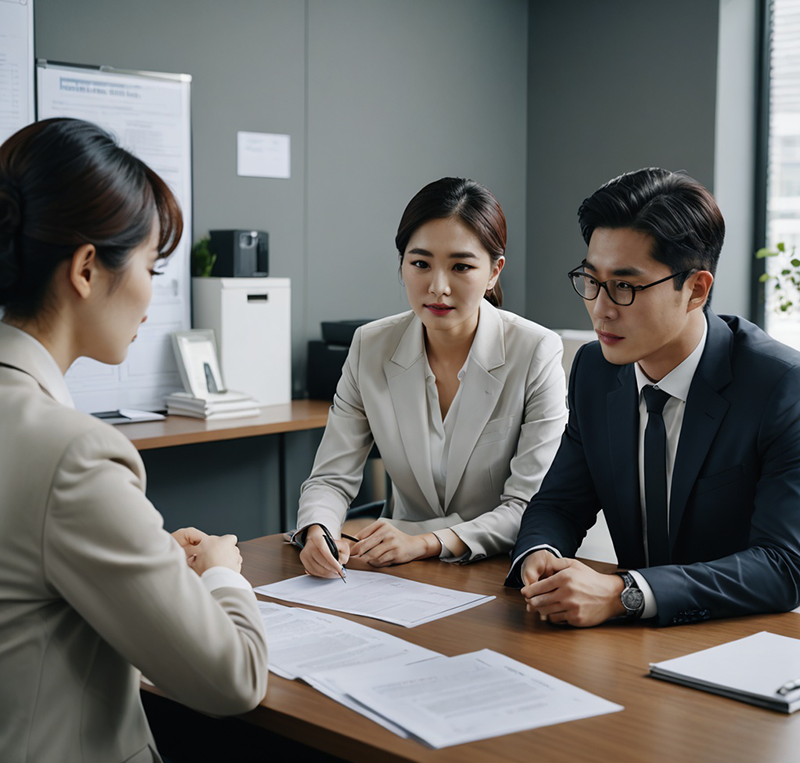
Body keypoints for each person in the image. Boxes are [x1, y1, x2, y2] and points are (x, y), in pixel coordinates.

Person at [0, 118, 268, 763]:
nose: (153, 293)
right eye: (151, 265)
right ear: (87, 269)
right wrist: (222, 574)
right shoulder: (73, 455)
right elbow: (234, 679)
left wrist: (141, 552)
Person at [507, 167, 800, 627]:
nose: (600, 308)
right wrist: (540, 552)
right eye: (591, 279)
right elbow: (560, 503)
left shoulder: (779, 385)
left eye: (625, 286)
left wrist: (625, 593)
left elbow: (782, 566)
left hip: (737, 638)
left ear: (696, 290)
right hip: (628, 643)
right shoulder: (594, 370)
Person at [296, 177, 567, 578]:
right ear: (402, 264)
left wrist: (426, 541)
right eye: (421, 264)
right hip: (399, 572)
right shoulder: (370, 346)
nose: (438, 287)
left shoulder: (535, 351)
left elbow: (528, 506)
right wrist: (317, 528)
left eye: (461, 266)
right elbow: (331, 478)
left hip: (496, 569)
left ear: (494, 272)